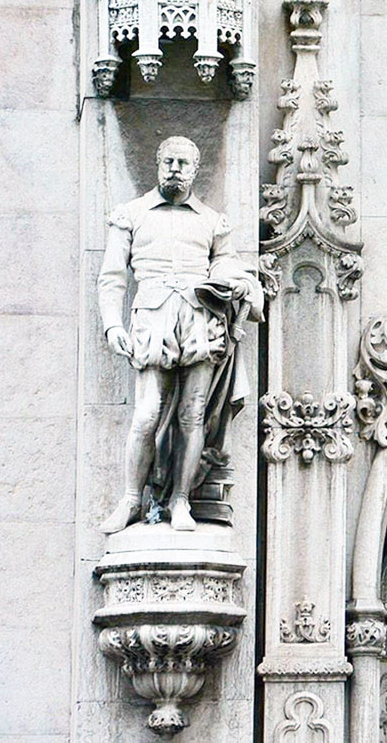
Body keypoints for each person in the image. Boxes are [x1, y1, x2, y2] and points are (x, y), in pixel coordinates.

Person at [98, 136, 261, 533]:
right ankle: (131, 499)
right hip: (152, 320)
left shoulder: (210, 220)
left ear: (194, 168)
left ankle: (181, 501)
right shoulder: (131, 215)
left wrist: (236, 284)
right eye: (168, 161)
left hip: (199, 321)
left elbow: (229, 265)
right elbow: (112, 278)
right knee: (147, 412)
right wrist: (112, 324)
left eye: (182, 163)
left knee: (193, 416)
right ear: (158, 164)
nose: (174, 168)